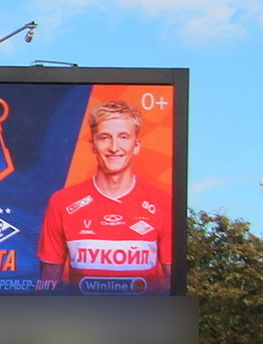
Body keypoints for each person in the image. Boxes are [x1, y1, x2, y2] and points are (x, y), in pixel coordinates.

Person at [36, 97, 173, 290]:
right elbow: (48, 282)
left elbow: (173, 284)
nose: (114, 148)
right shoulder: (63, 202)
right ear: (92, 144)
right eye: (105, 137)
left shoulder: (163, 203)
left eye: (123, 137)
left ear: (136, 145)